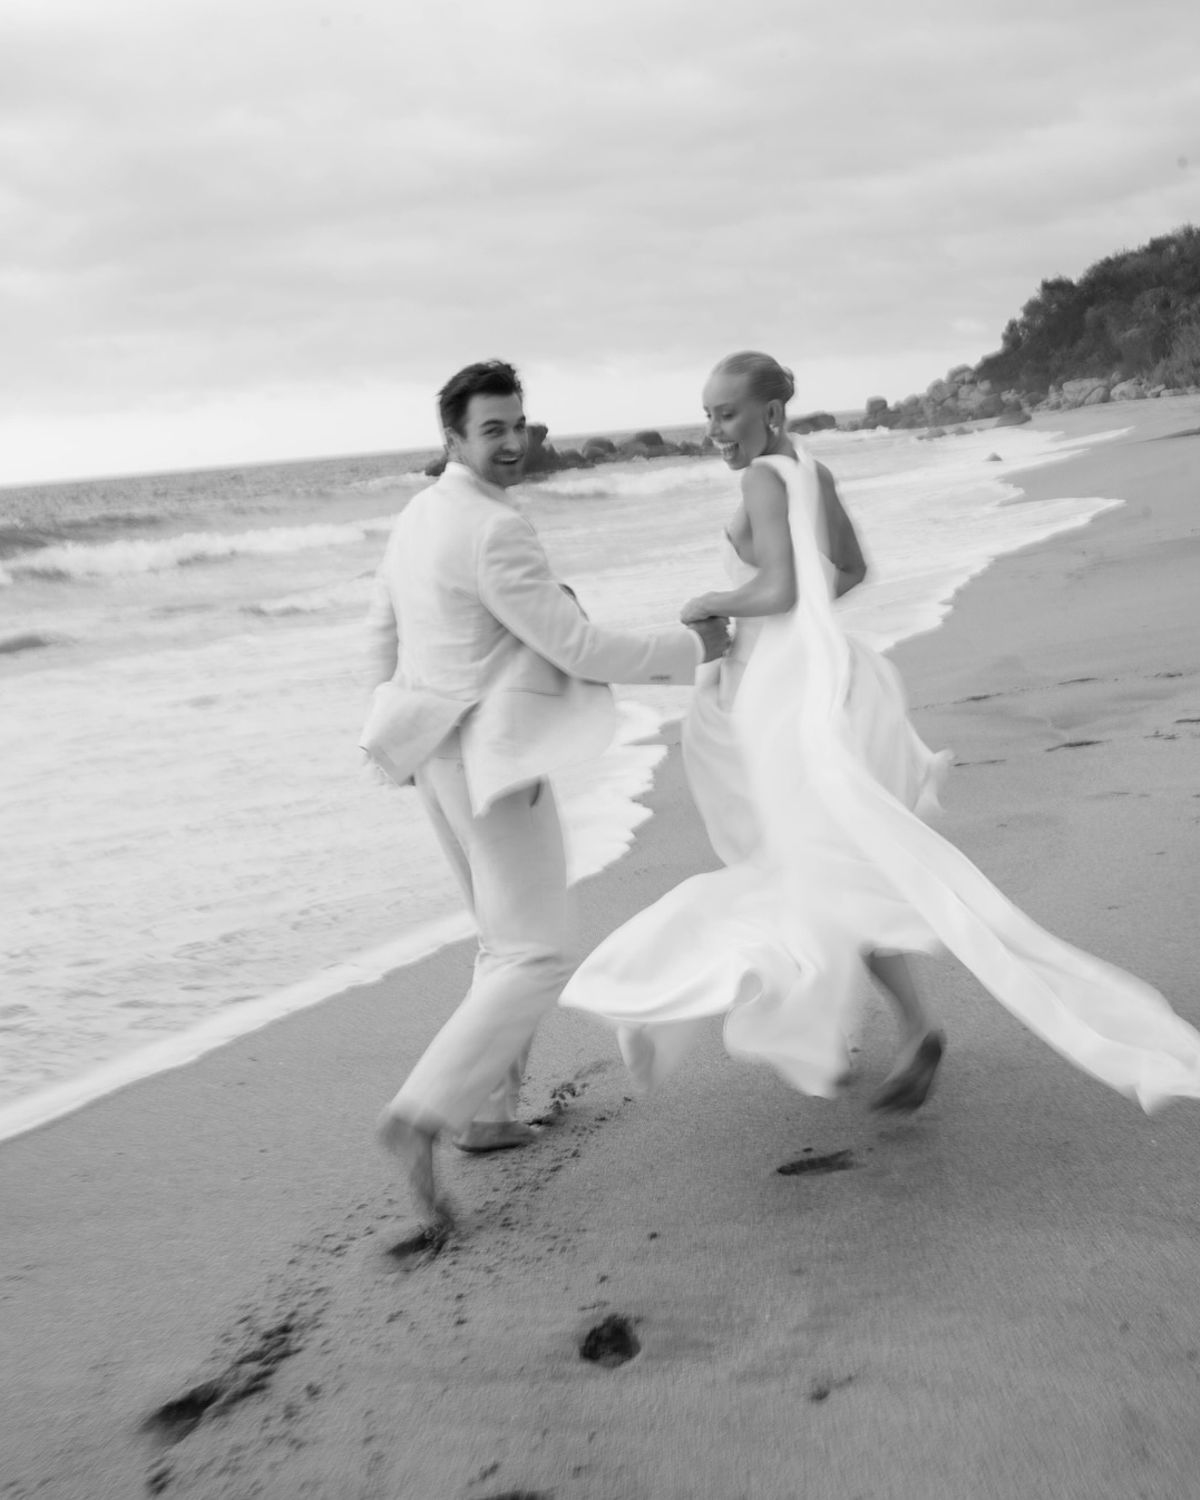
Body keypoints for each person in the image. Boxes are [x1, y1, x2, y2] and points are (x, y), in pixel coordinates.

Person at [561, 350, 1200, 1119]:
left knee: (809, 865)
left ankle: (812, 1020)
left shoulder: (761, 477)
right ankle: (873, 1025)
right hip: (833, 678)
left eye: (726, 414)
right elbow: (850, 572)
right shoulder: (811, 468)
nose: (714, 431)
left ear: (770, 412)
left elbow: (781, 587)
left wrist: (711, 601)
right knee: (837, 861)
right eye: (707, 416)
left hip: (781, 696)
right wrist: (801, 623)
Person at [362, 360, 729, 1236]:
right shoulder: (493, 529)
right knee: (537, 953)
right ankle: (421, 1114)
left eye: (517, 425)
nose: (511, 442)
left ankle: (488, 1113)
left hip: (433, 754)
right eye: (491, 429)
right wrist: (697, 649)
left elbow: (383, 630)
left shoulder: (418, 515)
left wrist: (391, 730)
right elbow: (578, 648)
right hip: (492, 761)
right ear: (453, 438)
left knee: (503, 942)